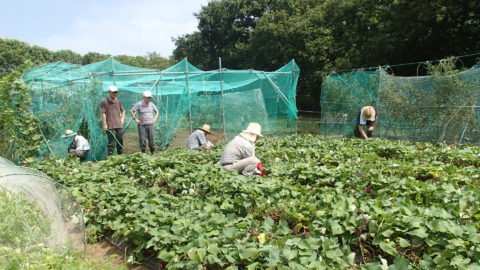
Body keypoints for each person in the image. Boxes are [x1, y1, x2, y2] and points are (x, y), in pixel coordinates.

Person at [100, 85, 125, 155]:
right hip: (110, 126)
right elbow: (103, 113)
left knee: (120, 141)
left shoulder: (118, 101)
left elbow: (123, 110)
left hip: (119, 125)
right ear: (109, 92)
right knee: (111, 143)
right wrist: (104, 124)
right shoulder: (104, 102)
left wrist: (122, 118)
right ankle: (110, 157)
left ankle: (120, 156)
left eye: (115, 92)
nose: (114, 94)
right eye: (113, 92)